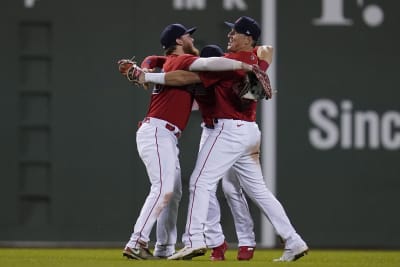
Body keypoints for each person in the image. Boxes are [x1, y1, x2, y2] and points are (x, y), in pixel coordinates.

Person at [132, 16, 309, 262]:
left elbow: (184, 77)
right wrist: (260, 65)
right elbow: (266, 50)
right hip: (249, 133)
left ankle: (194, 239)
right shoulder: (250, 58)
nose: (229, 36)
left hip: (227, 129)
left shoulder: (226, 65)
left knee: (199, 182)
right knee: (258, 191)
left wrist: (147, 75)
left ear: (247, 37)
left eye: (234, 32)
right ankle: (293, 240)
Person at [118, 23, 260, 260]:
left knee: (173, 194)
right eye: (188, 36)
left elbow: (154, 58)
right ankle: (136, 242)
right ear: (178, 41)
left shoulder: (168, 60)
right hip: (156, 132)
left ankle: (164, 247)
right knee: (164, 189)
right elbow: (201, 67)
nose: (192, 40)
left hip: (164, 134)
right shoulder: (181, 61)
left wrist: (142, 69)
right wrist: (245, 64)